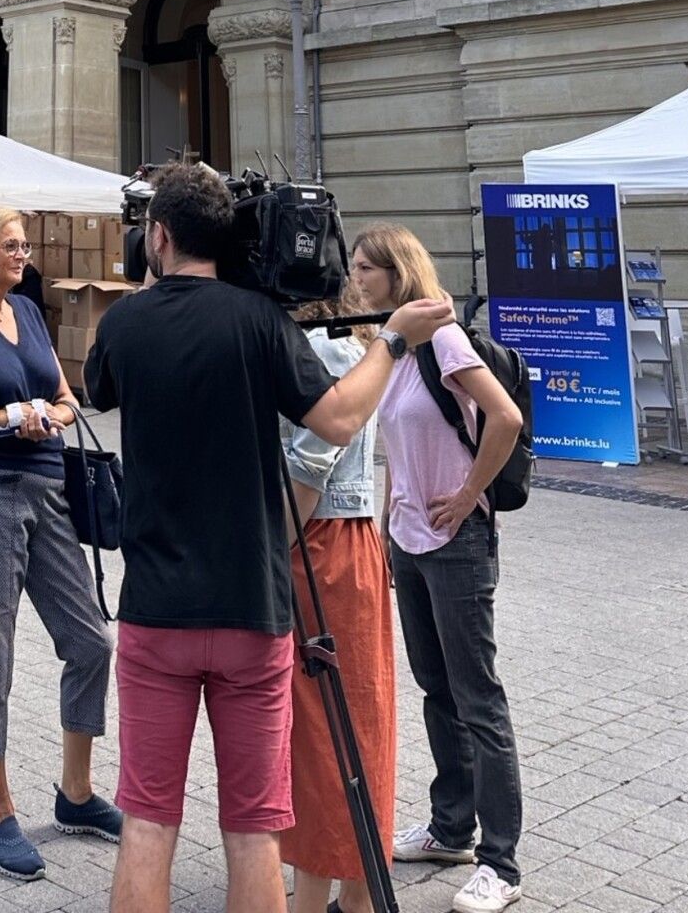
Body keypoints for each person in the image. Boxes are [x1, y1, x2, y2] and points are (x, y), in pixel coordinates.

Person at [83, 163, 453, 913]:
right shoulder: (261, 324)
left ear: (157, 236)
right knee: (254, 829)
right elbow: (342, 419)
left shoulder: (124, 323)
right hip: (254, 609)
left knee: (149, 821)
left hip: (156, 610)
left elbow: (98, 388)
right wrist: (394, 340)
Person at [0, 203, 120, 882]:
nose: (23, 254)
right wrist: (7, 416)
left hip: (49, 490)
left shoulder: (30, 314)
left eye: (25, 245)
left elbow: (70, 398)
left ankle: (76, 793)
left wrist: (50, 414)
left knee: (92, 640)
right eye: (10, 245)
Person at [349, 226, 527, 913]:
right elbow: (395, 441)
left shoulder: (445, 339)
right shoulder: (389, 347)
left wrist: (467, 494)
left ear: (398, 273)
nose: (357, 278)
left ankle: (502, 864)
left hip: (455, 543)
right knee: (435, 689)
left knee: (477, 696)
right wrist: (391, 518)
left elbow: (503, 417)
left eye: (368, 268)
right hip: (409, 543)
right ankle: (452, 827)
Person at [279, 294, 395, 913]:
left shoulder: (319, 348)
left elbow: (309, 463)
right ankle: (355, 890)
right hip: (350, 541)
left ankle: (315, 895)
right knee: (361, 718)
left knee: (320, 730)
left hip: (318, 541)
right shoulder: (353, 344)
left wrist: (273, 548)